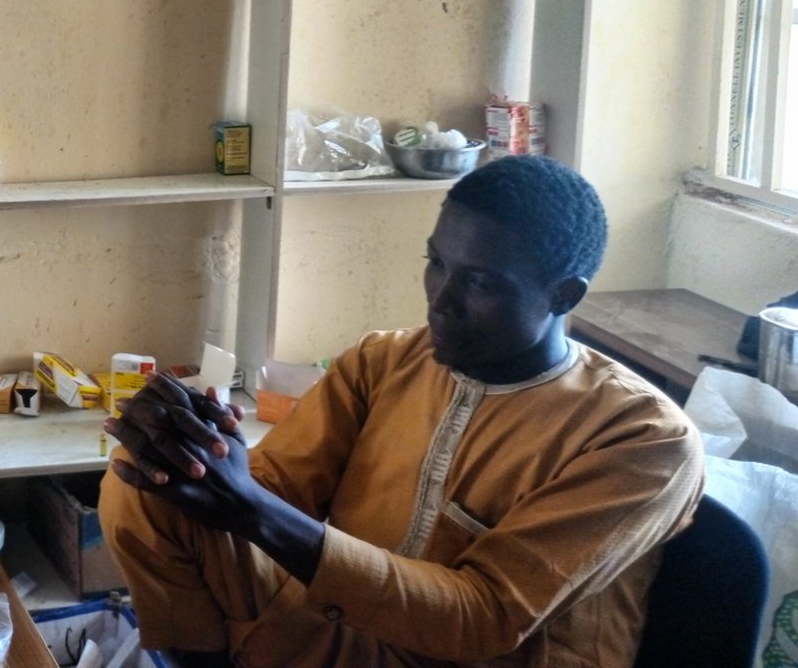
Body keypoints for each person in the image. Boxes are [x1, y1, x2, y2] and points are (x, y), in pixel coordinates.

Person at [100, 155, 704, 668]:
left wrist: (253, 509)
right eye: (436, 262)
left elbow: (485, 616)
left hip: (479, 656)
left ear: (562, 295)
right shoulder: (383, 362)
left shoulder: (641, 440)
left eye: (481, 284)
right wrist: (205, 450)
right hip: (344, 631)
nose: (440, 300)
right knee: (150, 477)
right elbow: (274, 490)